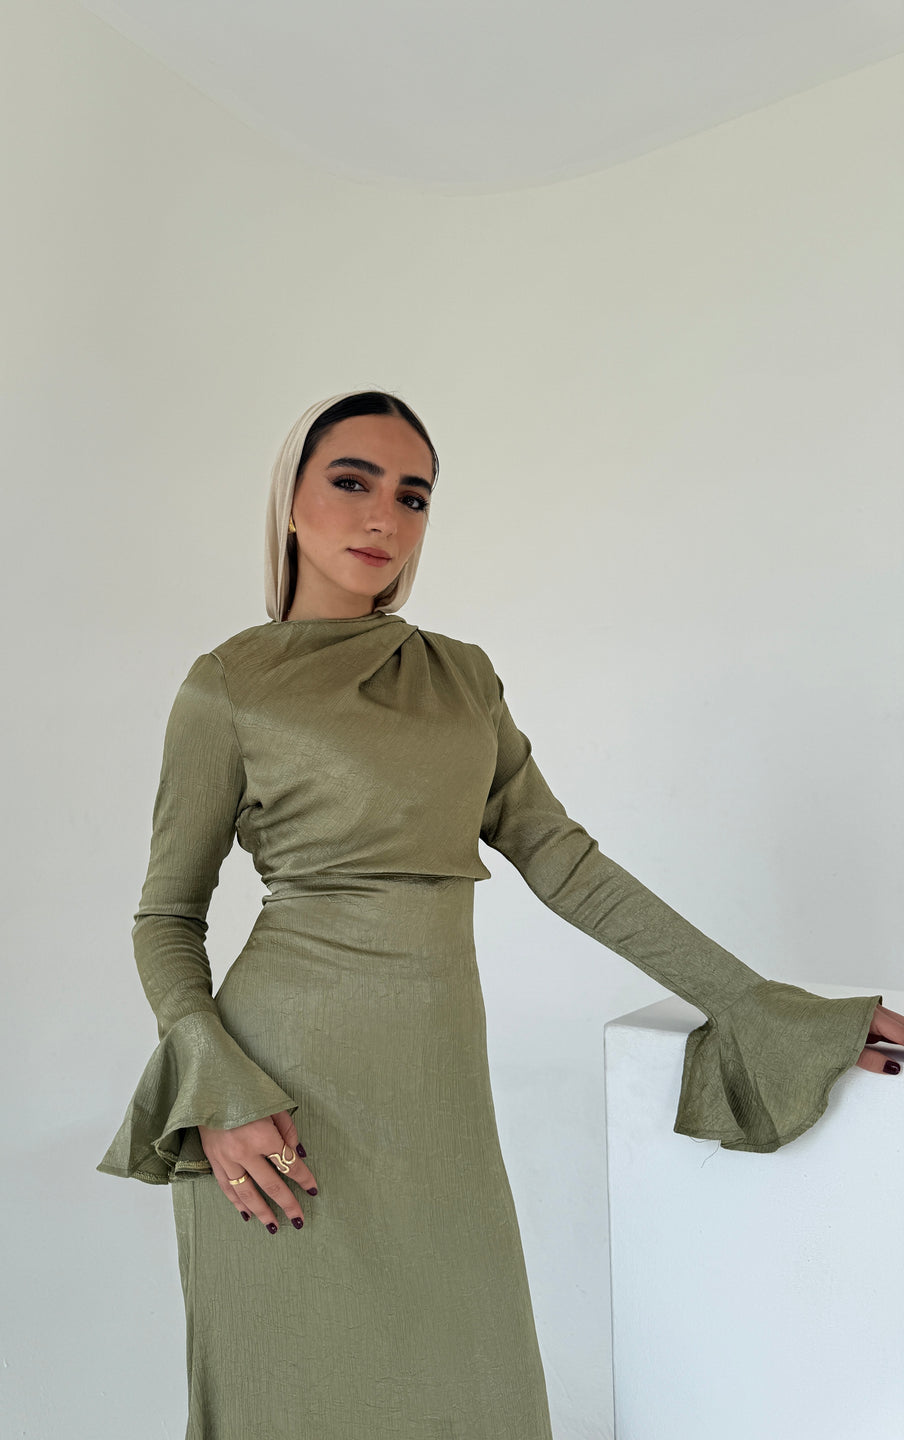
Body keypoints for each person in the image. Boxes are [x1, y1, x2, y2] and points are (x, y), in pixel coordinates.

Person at [97, 389, 902, 1439]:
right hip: (278, 1102)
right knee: (288, 1397)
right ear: (290, 501)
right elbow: (165, 916)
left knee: (477, 1392)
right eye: (351, 481)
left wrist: (755, 1004)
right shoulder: (228, 688)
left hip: (438, 1099)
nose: (384, 515)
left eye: (413, 495)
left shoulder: (460, 678)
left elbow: (566, 863)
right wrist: (218, 1087)